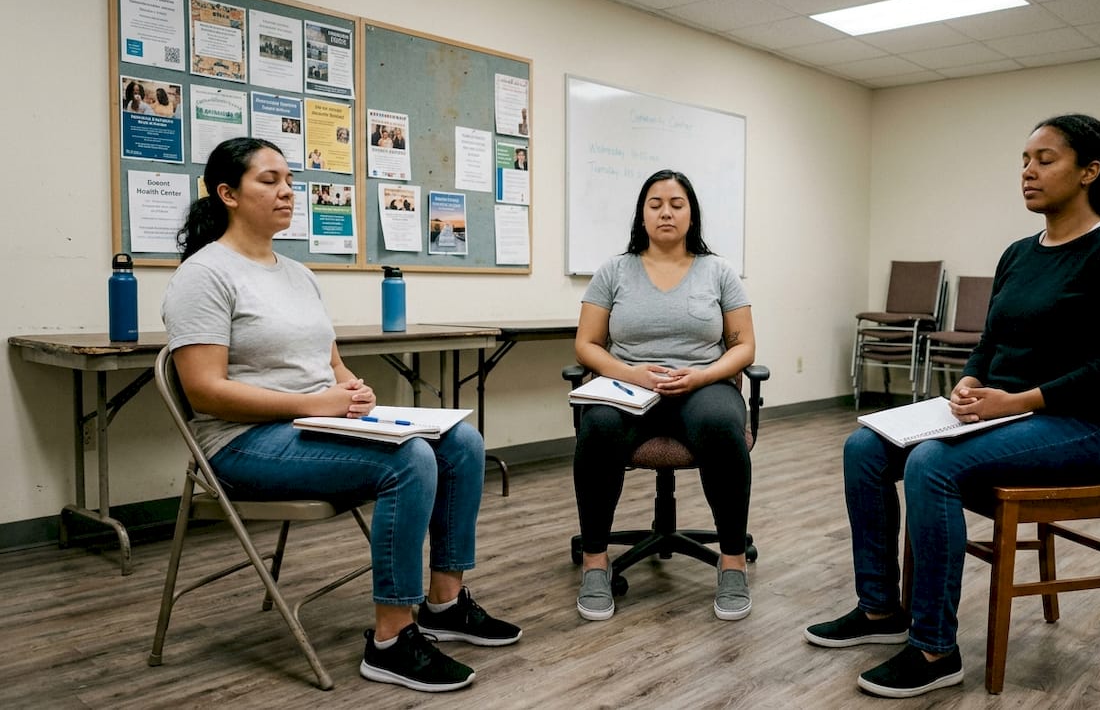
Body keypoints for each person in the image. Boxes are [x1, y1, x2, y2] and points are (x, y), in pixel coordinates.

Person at [802, 114, 1100, 699]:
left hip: (1086, 427)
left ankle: (935, 648)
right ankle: (879, 611)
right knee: (864, 446)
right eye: (1024, 159)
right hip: (1008, 415)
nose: (1028, 171)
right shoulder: (1019, 253)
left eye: (1045, 159)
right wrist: (968, 383)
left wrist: (1018, 399)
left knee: (932, 465)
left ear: (1090, 172)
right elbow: (990, 343)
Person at [161, 137, 521, 694]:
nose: (286, 191)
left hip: (312, 427)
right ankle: (391, 641)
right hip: (240, 445)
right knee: (409, 460)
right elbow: (206, 392)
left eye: (288, 179)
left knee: (462, 443)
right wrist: (315, 403)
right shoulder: (204, 276)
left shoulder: (296, 273)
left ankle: (445, 606)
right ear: (227, 193)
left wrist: (350, 388)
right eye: (269, 180)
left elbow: (326, 361)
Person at [573, 169, 756, 622]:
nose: (666, 212)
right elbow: (586, 344)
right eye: (655, 204)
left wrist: (702, 376)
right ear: (642, 213)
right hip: (628, 386)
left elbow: (745, 346)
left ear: (691, 214)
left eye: (676, 204)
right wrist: (631, 373)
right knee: (597, 426)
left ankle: (732, 562)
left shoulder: (719, 272)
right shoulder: (613, 270)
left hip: (702, 387)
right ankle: (596, 561)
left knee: (719, 425)